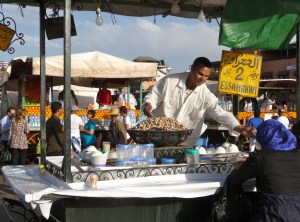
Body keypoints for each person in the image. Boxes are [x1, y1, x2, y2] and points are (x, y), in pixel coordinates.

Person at [143, 57, 255, 146]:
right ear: (192, 69)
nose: (203, 78)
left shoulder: (206, 95)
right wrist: (148, 104)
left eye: (206, 76)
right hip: (159, 136)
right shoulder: (169, 81)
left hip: (184, 142)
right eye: (200, 74)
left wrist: (241, 128)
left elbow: (220, 114)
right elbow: (154, 96)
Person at [227, 119, 300, 222]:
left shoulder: (261, 157)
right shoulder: (297, 154)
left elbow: (234, 179)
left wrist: (238, 167)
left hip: (272, 213)